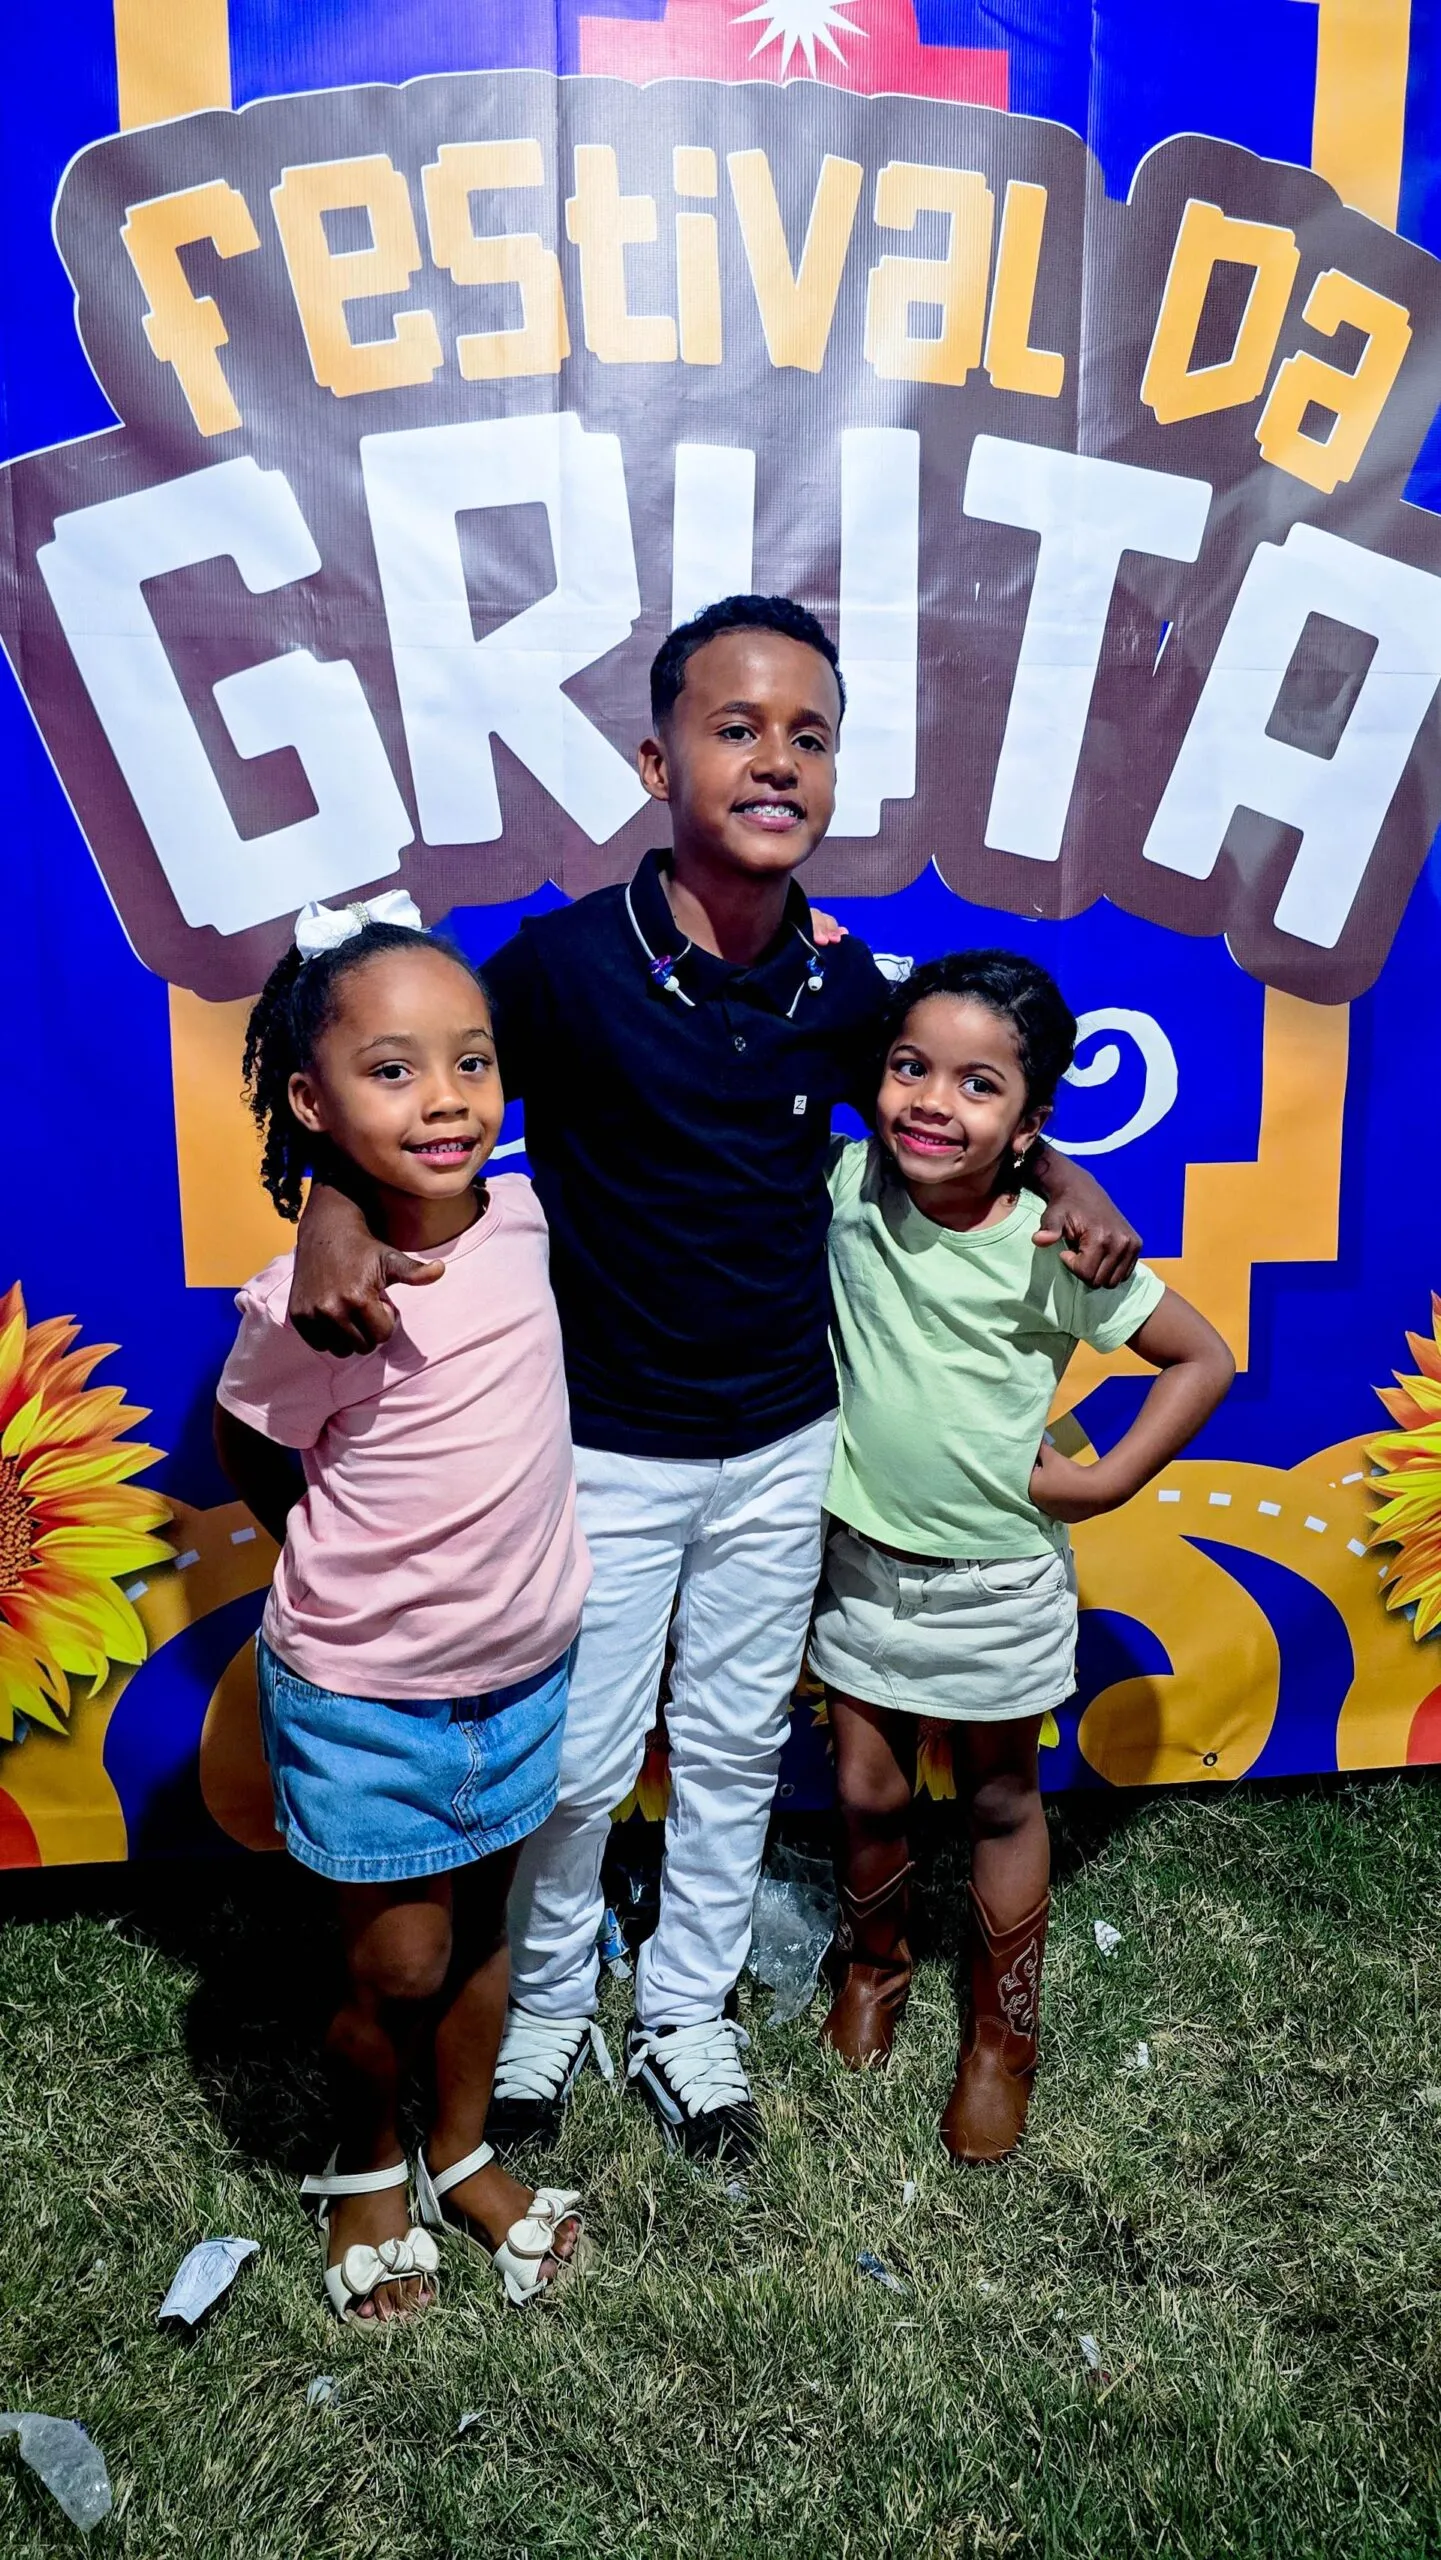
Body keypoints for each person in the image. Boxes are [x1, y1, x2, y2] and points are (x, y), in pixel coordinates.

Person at [287, 596, 1139, 2165]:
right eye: (734, 728)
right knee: (582, 1759)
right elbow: (404, 1087)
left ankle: (688, 2013)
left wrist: (1066, 1172)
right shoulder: (559, 968)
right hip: (602, 1443)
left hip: (785, 1438)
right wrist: (331, 1210)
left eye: (808, 736)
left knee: (740, 1740)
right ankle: (547, 2010)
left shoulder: (846, 989)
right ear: (654, 762)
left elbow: (954, 1115)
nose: (774, 760)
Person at [213, 896, 591, 2322]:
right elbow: (253, 1442)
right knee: (399, 1957)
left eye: (471, 1061)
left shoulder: (526, 1216)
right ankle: (366, 2161)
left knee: (484, 1931)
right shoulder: (304, 1305)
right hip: (367, 1695)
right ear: (312, 1101)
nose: (445, 1099)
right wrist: (353, 1565)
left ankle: (461, 2147)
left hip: (526, 1674)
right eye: (393, 1069)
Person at [811, 950, 1234, 2161]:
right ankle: (875, 1967)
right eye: (910, 1067)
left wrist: (1104, 1480)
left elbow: (1201, 1356)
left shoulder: (1057, 1244)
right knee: (866, 1791)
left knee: (1000, 1798)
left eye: (978, 1085)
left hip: (996, 1583)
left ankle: (1003, 2041)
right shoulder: (846, 1185)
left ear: (1029, 1119)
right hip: (860, 1567)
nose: (933, 1102)